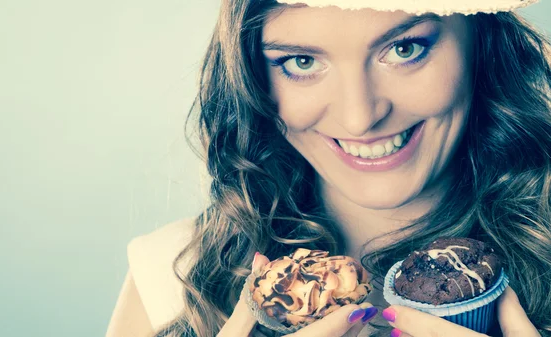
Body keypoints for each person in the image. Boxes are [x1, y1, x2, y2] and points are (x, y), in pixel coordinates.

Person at [106, 0, 551, 336]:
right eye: (302, 62)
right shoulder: (171, 276)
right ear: (253, 80)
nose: (360, 116)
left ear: (483, 45)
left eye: (405, 47)